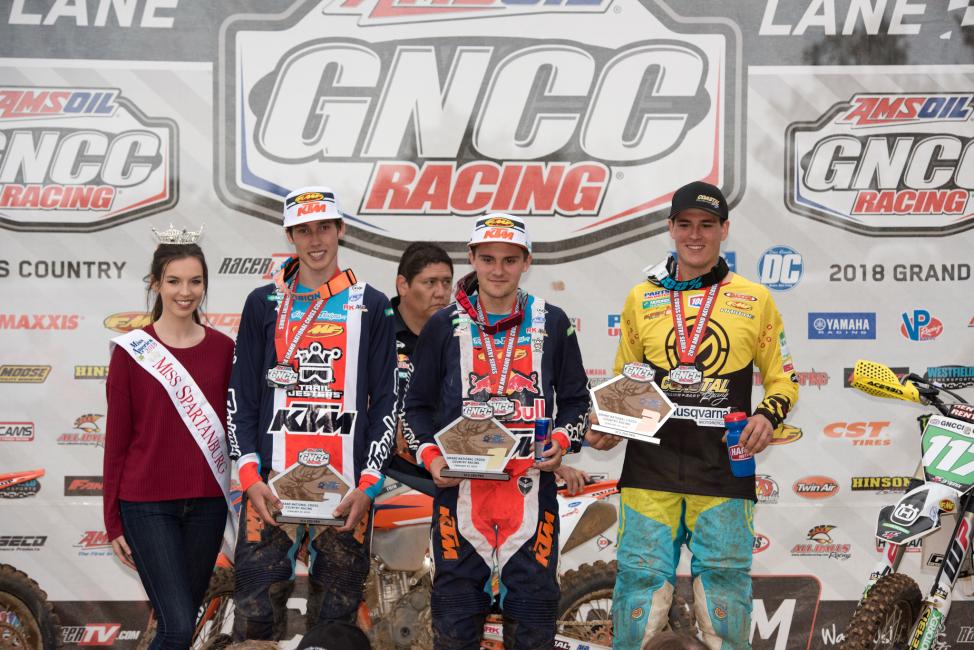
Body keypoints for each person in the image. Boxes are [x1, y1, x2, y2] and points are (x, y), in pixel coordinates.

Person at [589, 181, 800, 649]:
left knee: (722, 602)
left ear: (725, 229)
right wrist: (607, 426)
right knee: (640, 600)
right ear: (670, 228)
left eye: (707, 225)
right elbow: (627, 381)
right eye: (685, 225)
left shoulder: (755, 298)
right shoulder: (641, 297)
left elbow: (784, 380)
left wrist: (767, 414)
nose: (695, 235)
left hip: (723, 473)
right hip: (649, 473)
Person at [405, 214, 591, 650]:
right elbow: (414, 408)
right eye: (487, 259)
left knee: (533, 629)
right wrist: (431, 459)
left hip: (530, 498)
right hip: (460, 497)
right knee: (453, 631)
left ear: (527, 261)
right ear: (471, 258)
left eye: (510, 260)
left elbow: (578, 401)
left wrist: (562, 441)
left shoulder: (553, 320)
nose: (497, 270)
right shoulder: (442, 325)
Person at [226, 187, 397, 640]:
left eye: (324, 227)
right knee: (255, 617)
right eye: (304, 229)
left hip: (344, 494)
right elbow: (240, 398)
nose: (315, 239)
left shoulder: (372, 304)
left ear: (341, 230)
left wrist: (369, 484)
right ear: (290, 235)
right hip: (270, 490)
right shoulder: (263, 302)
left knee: (336, 623)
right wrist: (249, 478)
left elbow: (386, 403)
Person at [104, 229, 235, 649]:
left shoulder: (224, 350)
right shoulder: (132, 352)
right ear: (156, 284)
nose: (185, 292)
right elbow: (117, 441)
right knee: (178, 626)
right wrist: (112, 520)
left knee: (179, 623)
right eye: (174, 281)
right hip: (146, 506)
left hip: (207, 505)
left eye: (195, 281)